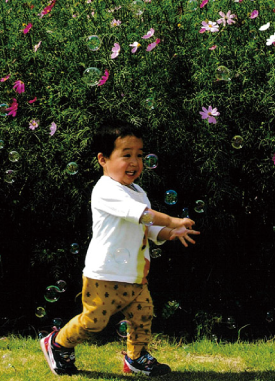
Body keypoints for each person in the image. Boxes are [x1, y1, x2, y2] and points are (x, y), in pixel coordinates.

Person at [41, 119, 199, 376]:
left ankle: (136, 358)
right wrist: (171, 219)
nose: (135, 162)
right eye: (126, 155)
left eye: (139, 155)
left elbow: (146, 227)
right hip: (106, 273)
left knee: (143, 316)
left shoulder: (138, 191)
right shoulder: (105, 190)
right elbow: (142, 215)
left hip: (136, 274)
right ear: (103, 159)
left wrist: (170, 232)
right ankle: (57, 343)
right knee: (94, 323)